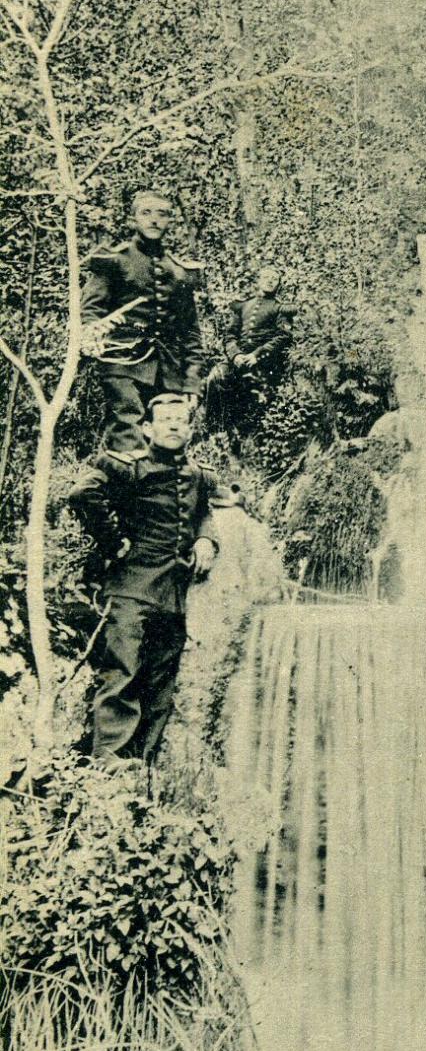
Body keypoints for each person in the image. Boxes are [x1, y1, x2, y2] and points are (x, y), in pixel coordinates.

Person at [67, 393, 219, 766]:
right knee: (123, 671)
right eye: (165, 420)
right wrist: (112, 542)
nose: (173, 426)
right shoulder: (128, 469)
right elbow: (82, 492)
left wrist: (206, 539)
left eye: (180, 420)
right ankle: (109, 757)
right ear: (148, 428)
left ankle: (144, 763)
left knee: (160, 682)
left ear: (189, 429)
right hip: (131, 589)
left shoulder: (198, 475)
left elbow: (204, 512)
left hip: (173, 595)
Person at [80, 188, 206, 453]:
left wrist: (192, 380)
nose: (154, 220)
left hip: (167, 370)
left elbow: (191, 332)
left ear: (170, 220)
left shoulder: (178, 271)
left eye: (162, 214)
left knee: (166, 439)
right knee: (128, 434)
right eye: (146, 213)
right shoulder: (115, 261)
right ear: (133, 219)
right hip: (122, 364)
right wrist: (94, 341)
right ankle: (126, 492)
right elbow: (91, 312)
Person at [204, 265, 294, 434]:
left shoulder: (279, 308)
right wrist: (236, 355)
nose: (270, 281)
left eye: (274, 279)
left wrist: (257, 356)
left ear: (278, 285)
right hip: (237, 359)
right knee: (215, 378)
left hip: (263, 363)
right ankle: (213, 432)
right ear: (259, 280)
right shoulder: (244, 306)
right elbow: (229, 335)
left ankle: (240, 436)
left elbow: (283, 337)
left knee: (249, 396)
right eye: (266, 277)